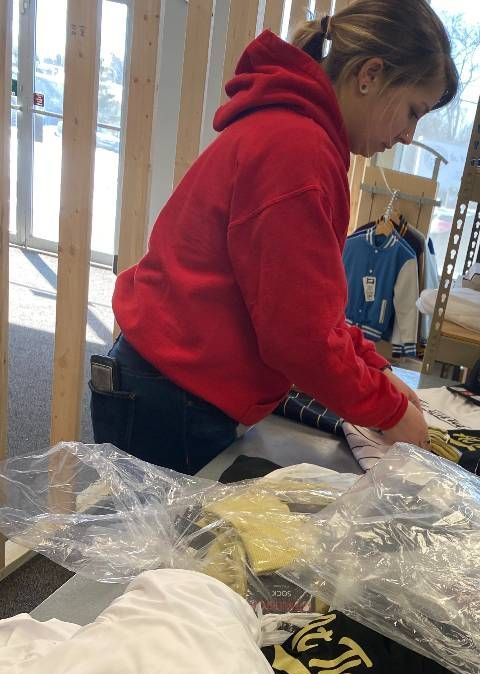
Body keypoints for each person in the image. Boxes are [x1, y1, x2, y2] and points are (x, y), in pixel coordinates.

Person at [91, 0, 458, 475]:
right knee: (161, 546)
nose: (409, 135)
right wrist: (388, 412)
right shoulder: (297, 150)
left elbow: (307, 306)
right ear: (370, 74)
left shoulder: (300, 135)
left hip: (171, 385)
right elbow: (300, 339)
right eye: (413, 111)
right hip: (172, 397)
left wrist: (377, 369)